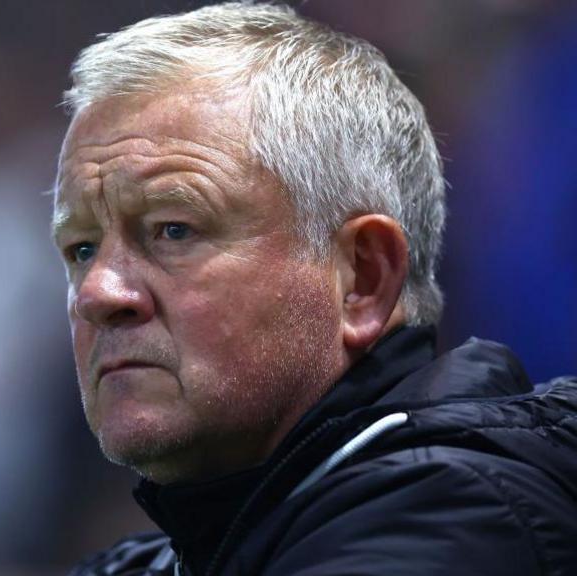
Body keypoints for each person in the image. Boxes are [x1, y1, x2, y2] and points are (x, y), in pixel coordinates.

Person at [50, 3, 577, 575]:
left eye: (173, 230)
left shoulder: (458, 522)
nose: (98, 292)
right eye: (82, 248)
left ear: (363, 279)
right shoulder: (168, 560)